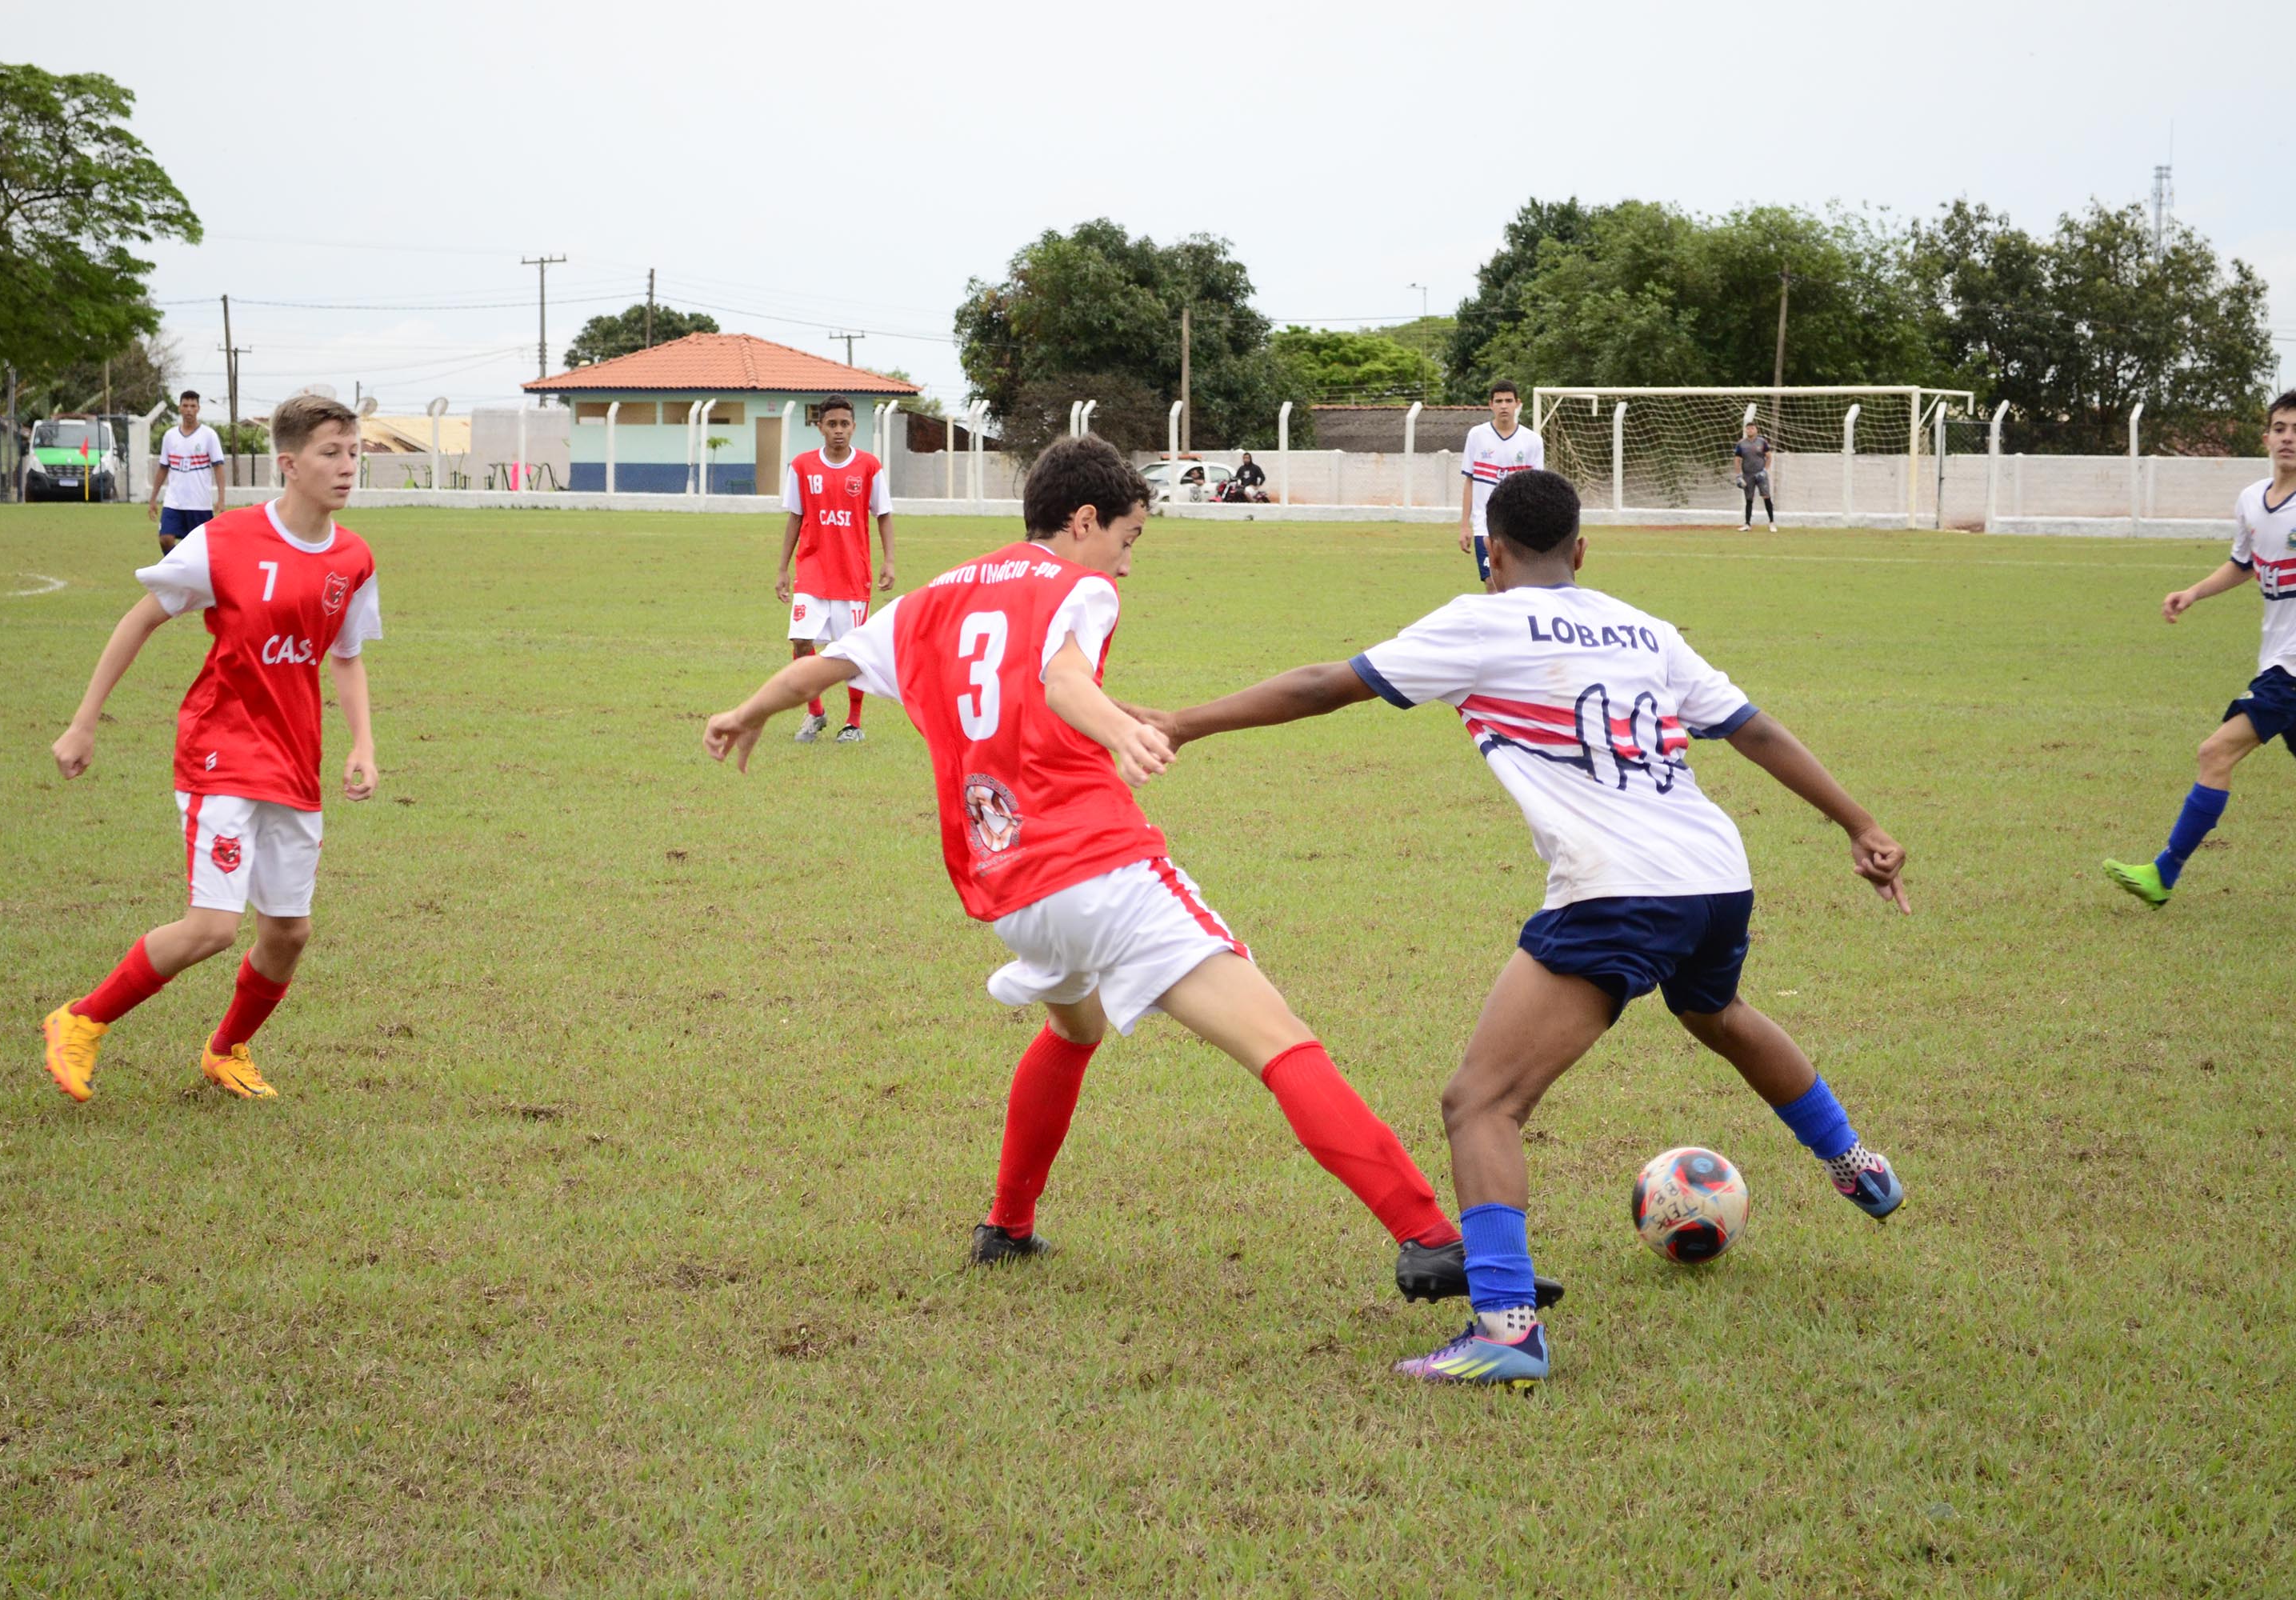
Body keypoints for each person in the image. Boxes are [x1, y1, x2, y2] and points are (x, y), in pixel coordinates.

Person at [706, 434, 1562, 1311]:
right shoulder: (1080, 587)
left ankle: (1006, 1225)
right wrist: (1117, 729)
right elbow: (1062, 675)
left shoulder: (937, 596)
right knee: (1281, 1039)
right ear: (1084, 521)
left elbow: (827, 662)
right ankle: (1428, 1235)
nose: (1126, 561)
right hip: (1100, 871)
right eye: (1129, 538)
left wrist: (748, 709)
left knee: (1073, 1029)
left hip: (1011, 886)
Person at [1157, 468, 1908, 1388]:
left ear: (1491, 552)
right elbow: (1755, 731)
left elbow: (1326, 683)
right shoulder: (1644, 626)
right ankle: (1857, 1160)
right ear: (1582, 552)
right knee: (1717, 1012)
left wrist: (1183, 723)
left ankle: (1508, 1329)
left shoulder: (1482, 619)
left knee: (1481, 1101)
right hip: (1717, 875)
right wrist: (1861, 824)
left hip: (1615, 892)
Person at [39, 394, 382, 1103]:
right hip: (220, 753)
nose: (347, 468)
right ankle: (79, 1020)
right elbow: (140, 619)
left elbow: (345, 655)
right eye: (330, 454)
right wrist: (84, 721)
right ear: (288, 465)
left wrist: (362, 744)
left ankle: (226, 1050)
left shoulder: (353, 557)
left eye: (353, 453)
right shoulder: (224, 541)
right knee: (213, 928)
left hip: (294, 764)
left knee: (289, 933)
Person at [2102, 389, 2296, 906]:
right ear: (2266, 436)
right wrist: (2194, 592)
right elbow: (2245, 562)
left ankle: (2163, 874)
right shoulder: (2252, 500)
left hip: (2290, 671)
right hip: (2276, 659)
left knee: (2215, 751)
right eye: (2280, 427)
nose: (2289, 438)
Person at [777, 394, 894, 744]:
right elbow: (795, 518)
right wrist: (782, 568)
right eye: (832, 424)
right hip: (812, 570)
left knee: (852, 652)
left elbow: (883, 515)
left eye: (845, 424)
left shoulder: (869, 467)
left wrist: (889, 560)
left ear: (854, 427)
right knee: (801, 641)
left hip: (852, 575)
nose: (839, 431)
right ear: (820, 427)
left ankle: (853, 722)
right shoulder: (802, 466)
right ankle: (815, 713)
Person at [1458, 380, 1542, 584]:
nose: (1504, 405)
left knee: (1518, 585)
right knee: (1492, 585)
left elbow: (1536, 489)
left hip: (1519, 527)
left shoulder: (1532, 441)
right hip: (1485, 526)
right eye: (1499, 401)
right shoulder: (1476, 436)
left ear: (1517, 404)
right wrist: (1464, 526)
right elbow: (1470, 481)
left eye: (1508, 400)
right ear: (1491, 405)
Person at [150, 390, 228, 555]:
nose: (189, 410)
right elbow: (163, 468)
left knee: (199, 548)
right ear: (179, 408)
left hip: (199, 503)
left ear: (198, 409)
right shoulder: (170, 436)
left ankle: (190, 574)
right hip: (174, 501)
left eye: (193, 406)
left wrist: (221, 499)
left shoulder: (209, 435)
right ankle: (177, 568)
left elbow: (219, 467)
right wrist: (153, 499)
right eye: (185, 405)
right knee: (165, 538)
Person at [1732, 420, 1776, 531]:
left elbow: (1769, 457)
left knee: (1766, 496)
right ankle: (1747, 524)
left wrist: (1765, 471)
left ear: (1756, 430)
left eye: (1752, 428)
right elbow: (1737, 460)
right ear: (1745, 430)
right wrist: (1738, 475)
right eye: (1748, 428)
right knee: (1749, 499)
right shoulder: (1741, 444)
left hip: (1761, 474)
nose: (1750, 430)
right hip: (1748, 475)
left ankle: (1771, 522)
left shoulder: (1762, 442)